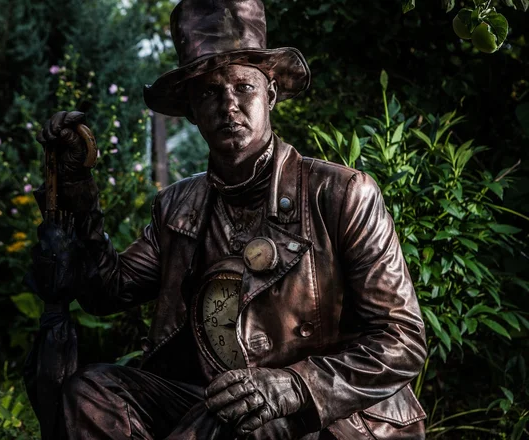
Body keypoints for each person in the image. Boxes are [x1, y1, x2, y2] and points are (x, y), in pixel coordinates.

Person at [30, 0, 428, 438]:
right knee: (92, 393)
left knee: (244, 422)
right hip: (217, 403)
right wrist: (78, 194)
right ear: (192, 113)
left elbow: (402, 339)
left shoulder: (341, 194)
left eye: (243, 87)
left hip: (331, 415)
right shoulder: (178, 206)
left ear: (271, 94)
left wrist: (296, 385)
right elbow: (107, 290)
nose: (228, 105)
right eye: (208, 93)